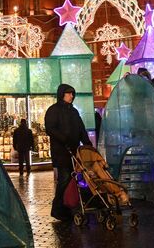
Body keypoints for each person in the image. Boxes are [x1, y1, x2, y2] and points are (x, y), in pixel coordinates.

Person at [44, 84, 92, 221]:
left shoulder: (74, 111)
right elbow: (50, 128)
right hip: (61, 152)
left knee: (70, 180)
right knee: (64, 179)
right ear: (62, 94)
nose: (71, 96)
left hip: (73, 151)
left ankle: (66, 207)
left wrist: (86, 142)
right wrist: (64, 139)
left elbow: (81, 128)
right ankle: (58, 208)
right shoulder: (54, 110)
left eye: (72, 94)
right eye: (69, 93)